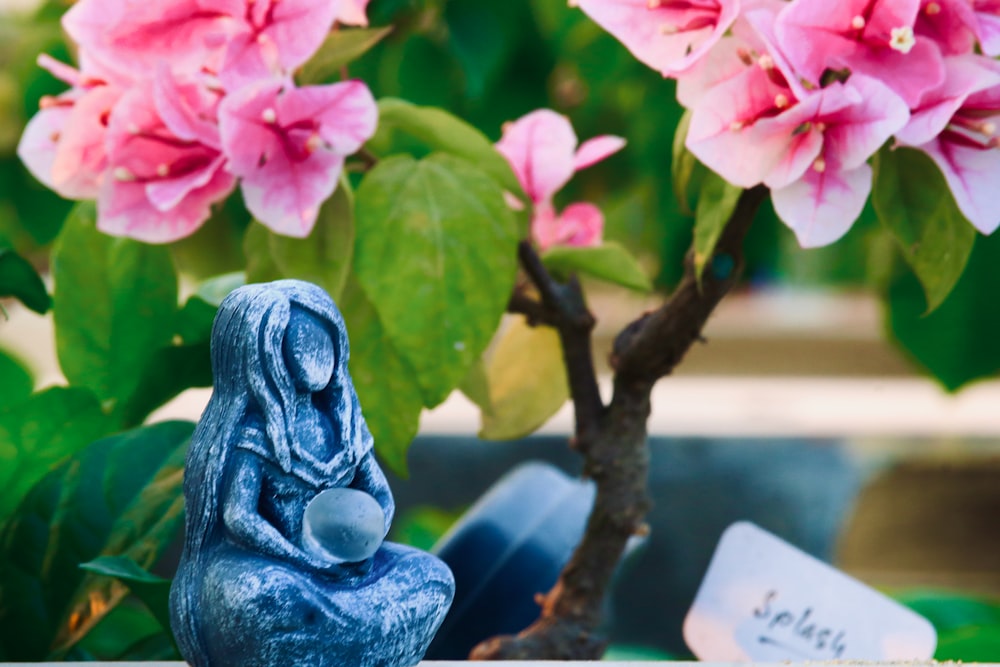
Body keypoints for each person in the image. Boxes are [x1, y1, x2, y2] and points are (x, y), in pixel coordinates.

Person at [169, 280, 454, 667]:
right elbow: (239, 517)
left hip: (345, 562)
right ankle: (347, 635)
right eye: (299, 341)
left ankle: (350, 640)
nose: (317, 355)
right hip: (274, 562)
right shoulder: (254, 435)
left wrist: (365, 542)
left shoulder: (342, 426)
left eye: (324, 340)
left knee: (431, 576)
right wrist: (300, 558)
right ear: (264, 354)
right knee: (266, 597)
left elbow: (379, 494)